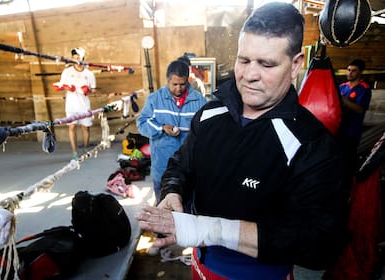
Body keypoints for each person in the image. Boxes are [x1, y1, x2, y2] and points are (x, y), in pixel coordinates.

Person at [136, 2, 349, 279]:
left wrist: (210, 230)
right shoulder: (210, 113)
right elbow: (181, 164)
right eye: (244, 60)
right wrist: (173, 191)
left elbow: (320, 243)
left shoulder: (309, 143)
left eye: (267, 64)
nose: (250, 75)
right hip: (200, 265)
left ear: (296, 64)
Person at [137, 59, 207, 205]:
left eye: (182, 84)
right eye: (174, 84)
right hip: (162, 167)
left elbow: (206, 130)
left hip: (189, 168)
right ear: (167, 80)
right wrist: (161, 128)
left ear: (188, 80)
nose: (178, 88)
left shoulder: (199, 102)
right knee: (163, 207)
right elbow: (142, 123)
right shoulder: (155, 100)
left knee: (187, 208)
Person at [54, 48, 96, 160]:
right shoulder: (67, 72)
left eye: (78, 57)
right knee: (72, 127)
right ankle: (74, 153)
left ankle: (85, 149)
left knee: (85, 128)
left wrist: (88, 90)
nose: (77, 59)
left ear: (83, 58)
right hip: (71, 104)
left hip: (84, 105)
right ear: (72, 58)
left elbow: (93, 89)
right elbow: (60, 85)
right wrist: (67, 87)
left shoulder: (89, 74)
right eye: (74, 57)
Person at [337, 59, 372, 178]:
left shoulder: (364, 89)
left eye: (354, 71)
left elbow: (359, 109)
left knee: (348, 163)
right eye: (349, 70)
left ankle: (348, 190)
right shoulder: (341, 87)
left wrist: (342, 99)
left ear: (360, 72)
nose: (350, 73)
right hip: (338, 129)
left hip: (352, 132)